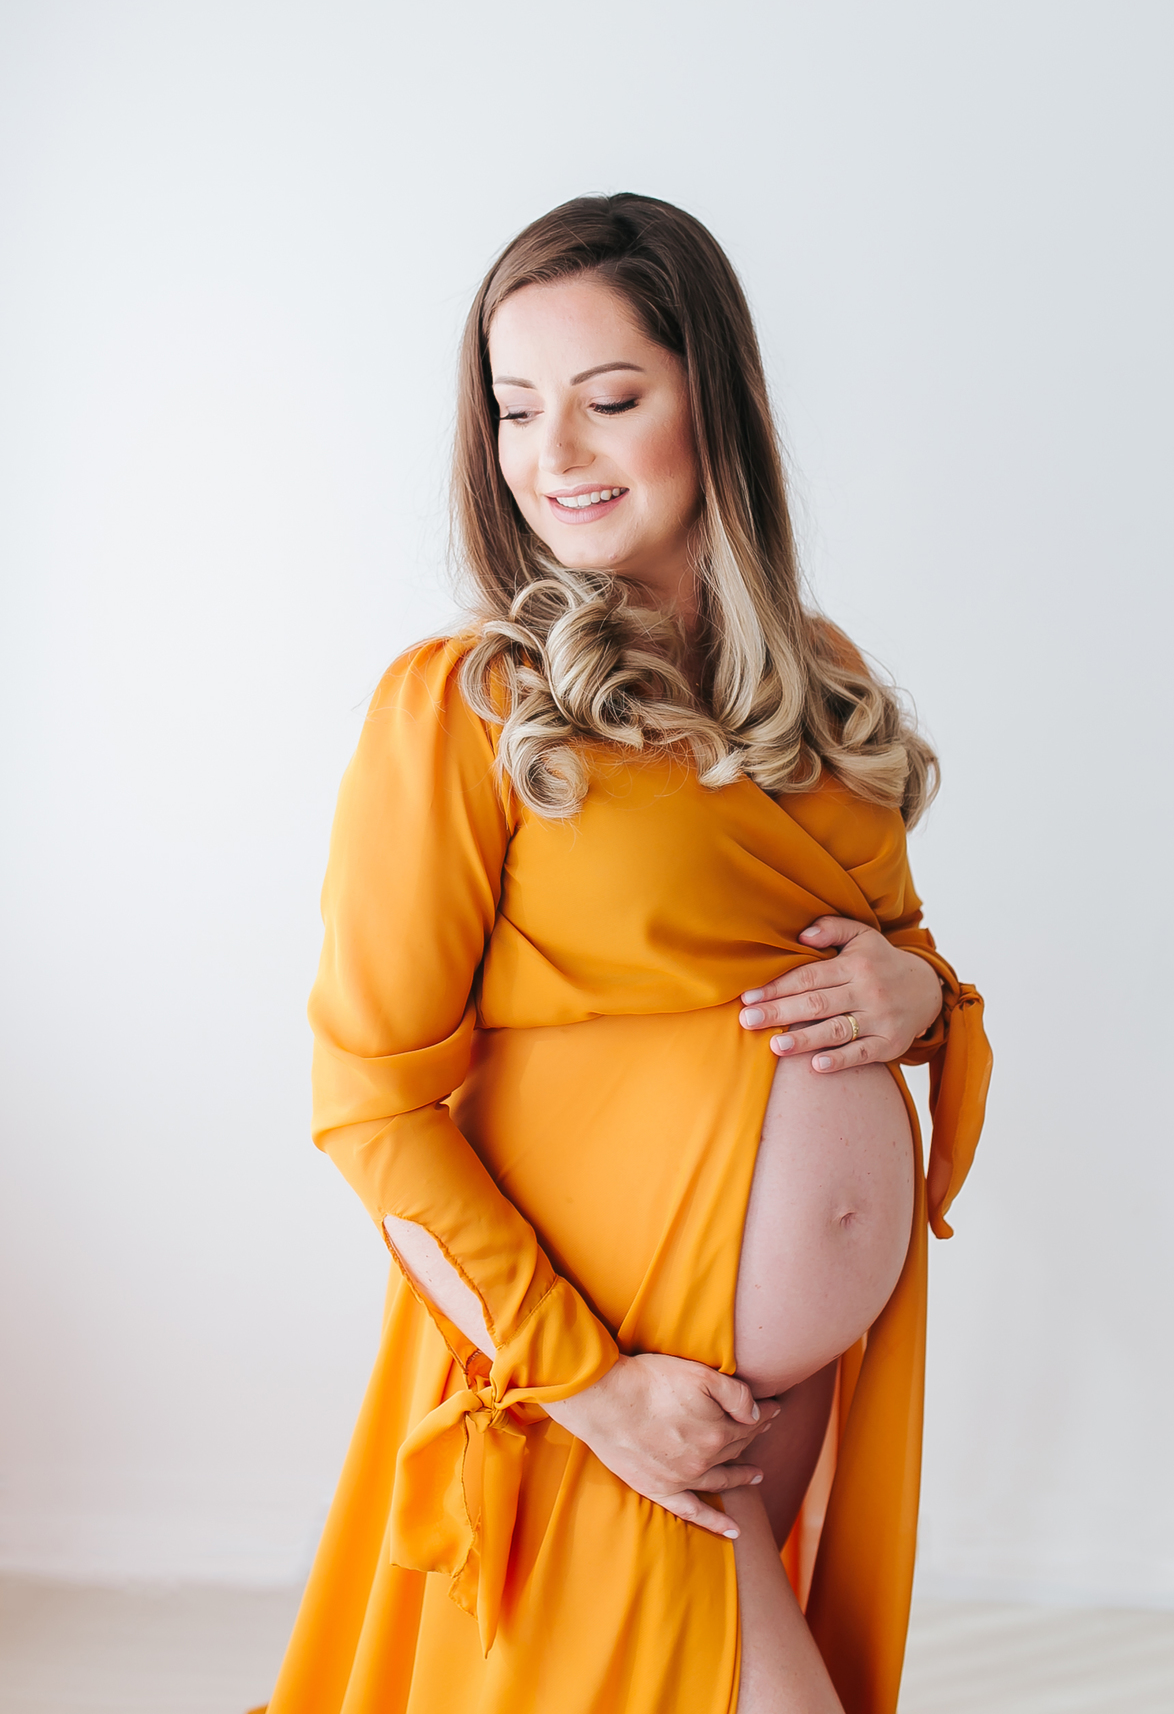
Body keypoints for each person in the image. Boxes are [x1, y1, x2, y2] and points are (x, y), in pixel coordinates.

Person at [260, 193, 991, 1714]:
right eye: (516, 408)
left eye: (609, 399)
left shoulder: (820, 683)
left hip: (788, 1383)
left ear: (711, 401)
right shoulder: (461, 707)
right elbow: (371, 1108)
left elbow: (891, 957)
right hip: (599, 1366)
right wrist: (591, 1386)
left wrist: (923, 997)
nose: (556, 454)